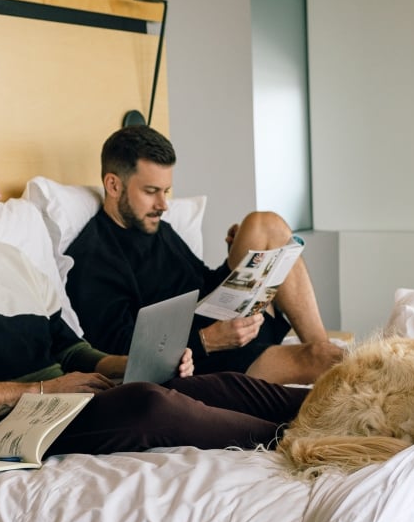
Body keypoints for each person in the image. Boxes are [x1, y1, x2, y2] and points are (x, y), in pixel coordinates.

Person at [0, 118, 307, 459]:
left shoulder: (12, 259)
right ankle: (295, 440)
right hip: (8, 426)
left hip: (59, 401)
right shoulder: (97, 255)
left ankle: (333, 410)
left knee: (217, 386)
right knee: (149, 404)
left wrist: (129, 366)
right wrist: (44, 390)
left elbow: (68, 349)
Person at [65, 125, 344, 384]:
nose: (163, 205)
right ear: (113, 185)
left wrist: (236, 261)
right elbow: (121, 356)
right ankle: (325, 355)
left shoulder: (155, 228)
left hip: (227, 323)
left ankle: (320, 341)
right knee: (322, 360)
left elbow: (198, 281)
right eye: (151, 192)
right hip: (202, 358)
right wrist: (208, 340)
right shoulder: (93, 259)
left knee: (263, 224)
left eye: (166, 191)